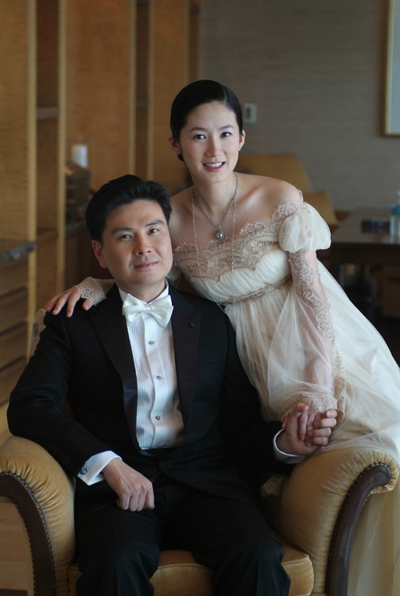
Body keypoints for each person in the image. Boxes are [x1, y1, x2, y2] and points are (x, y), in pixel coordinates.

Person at [46, 80, 400, 595]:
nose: (214, 149)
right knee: (245, 456)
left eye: (226, 133)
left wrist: (319, 383)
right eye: (198, 136)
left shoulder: (278, 197)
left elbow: (312, 295)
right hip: (238, 348)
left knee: (367, 454)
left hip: (305, 342)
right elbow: (146, 265)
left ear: (241, 137)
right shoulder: (168, 215)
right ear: (176, 143)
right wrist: (94, 284)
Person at [8, 174, 337, 596]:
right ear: (100, 253)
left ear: (170, 238)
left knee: (256, 555)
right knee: (115, 564)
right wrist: (107, 465)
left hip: (207, 486)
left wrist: (283, 444)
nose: (143, 247)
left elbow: (237, 425)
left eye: (153, 231)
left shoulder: (213, 320)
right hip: (117, 490)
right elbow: (30, 406)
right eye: (124, 236)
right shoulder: (73, 324)